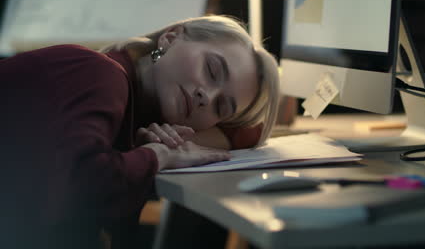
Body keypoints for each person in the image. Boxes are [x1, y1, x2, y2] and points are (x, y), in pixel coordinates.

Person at [0, 15, 279, 249]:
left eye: (220, 107)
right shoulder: (100, 74)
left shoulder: (128, 113)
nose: (206, 95)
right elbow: (82, 186)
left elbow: (249, 132)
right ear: (170, 38)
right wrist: (154, 156)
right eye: (211, 69)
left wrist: (136, 147)